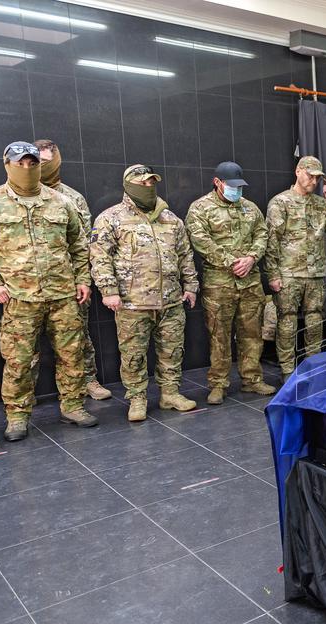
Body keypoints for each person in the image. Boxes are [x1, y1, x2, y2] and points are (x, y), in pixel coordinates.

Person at [0, 142, 98, 441]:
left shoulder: (60, 201)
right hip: (20, 298)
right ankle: (17, 416)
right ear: (8, 165)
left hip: (63, 294)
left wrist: (82, 279)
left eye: (32, 163)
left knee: (72, 355)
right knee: (19, 361)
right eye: (21, 164)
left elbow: (79, 244)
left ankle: (73, 406)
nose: (27, 168)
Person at [90, 165, 199, 422]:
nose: (148, 188)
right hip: (132, 302)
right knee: (133, 354)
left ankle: (170, 393)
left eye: (152, 183)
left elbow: (185, 255)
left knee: (172, 350)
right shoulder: (111, 218)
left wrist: (191, 285)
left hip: (170, 300)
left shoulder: (170, 219)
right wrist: (108, 290)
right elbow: (99, 257)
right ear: (129, 186)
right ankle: (137, 398)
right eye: (143, 184)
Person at [186, 161, 275, 404]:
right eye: (232, 186)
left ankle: (252, 380)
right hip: (219, 284)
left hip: (250, 283)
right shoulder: (200, 209)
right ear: (218, 183)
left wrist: (251, 258)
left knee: (252, 333)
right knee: (219, 336)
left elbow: (262, 233)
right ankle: (218, 384)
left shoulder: (250, 208)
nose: (237, 190)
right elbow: (201, 242)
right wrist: (232, 262)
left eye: (239, 186)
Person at [34, 139, 111, 401]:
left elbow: (84, 243)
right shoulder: (15, 195)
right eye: (38, 162)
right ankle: (25, 392)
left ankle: (87, 381)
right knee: (26, 343)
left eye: (47, 163)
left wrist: (84, 280)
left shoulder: (73, 198)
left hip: (69, 282)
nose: (41, 168)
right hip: (28, 285)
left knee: (78, 336)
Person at [264, 156, 326, 377]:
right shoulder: (280, 202)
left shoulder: (321, 204)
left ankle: (314, 368)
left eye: (318, 178)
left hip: (315, 274)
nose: (314, 182)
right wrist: (273, 274)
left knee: (315, 322)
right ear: (298, 171)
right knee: (287, 323)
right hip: (289, 274)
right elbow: (271, 241)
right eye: (310, 176)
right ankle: (288, 372)